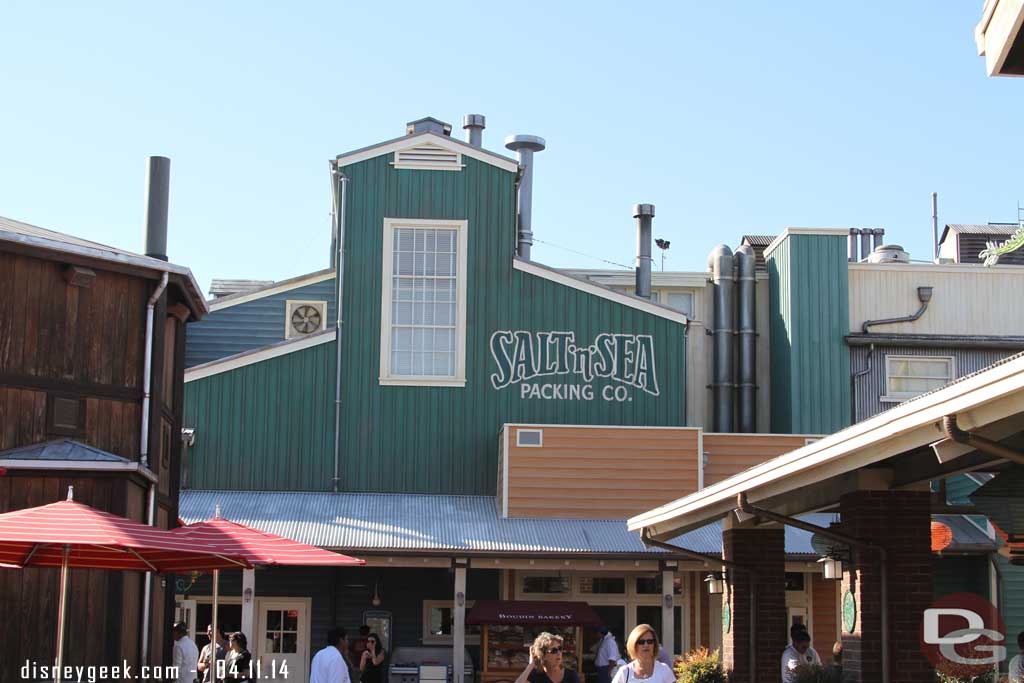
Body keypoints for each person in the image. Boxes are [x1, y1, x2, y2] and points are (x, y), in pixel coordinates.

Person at [610, 625, 675, 683]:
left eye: (650, 641)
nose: (646, 645)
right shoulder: (624, 672)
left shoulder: (664, 670)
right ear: (634, 645)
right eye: (641, 642)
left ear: (654, 645)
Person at [514, 632, 579, 683]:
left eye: (560, 648)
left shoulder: (571, 675)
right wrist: (531, 665)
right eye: (554, 650)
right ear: (543, 655)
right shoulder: (536, 675)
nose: (559, 653)